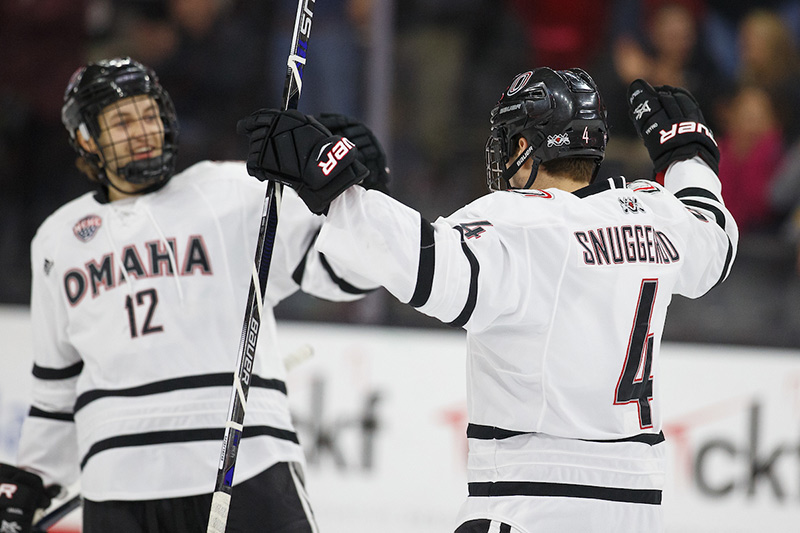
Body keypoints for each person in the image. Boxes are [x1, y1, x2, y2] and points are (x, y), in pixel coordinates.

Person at [237, 67, 738, 531]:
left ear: (523, 145)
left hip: (533, 503)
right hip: (638, 505)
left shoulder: (524, 221)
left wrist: (335, 186)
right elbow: (715, 244)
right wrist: (687, 159)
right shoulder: (655, 215)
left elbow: (434, 272)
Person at [0, 57, 388, 533]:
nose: (142, 130)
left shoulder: (235, 190)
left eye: (148, 115)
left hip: (244, 464)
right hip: (118, 487)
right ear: (85, 139)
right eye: (121, 121)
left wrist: (360, 198)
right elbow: (57, 387)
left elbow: (348, 274)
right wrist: (35, 476)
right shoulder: (57, 239)